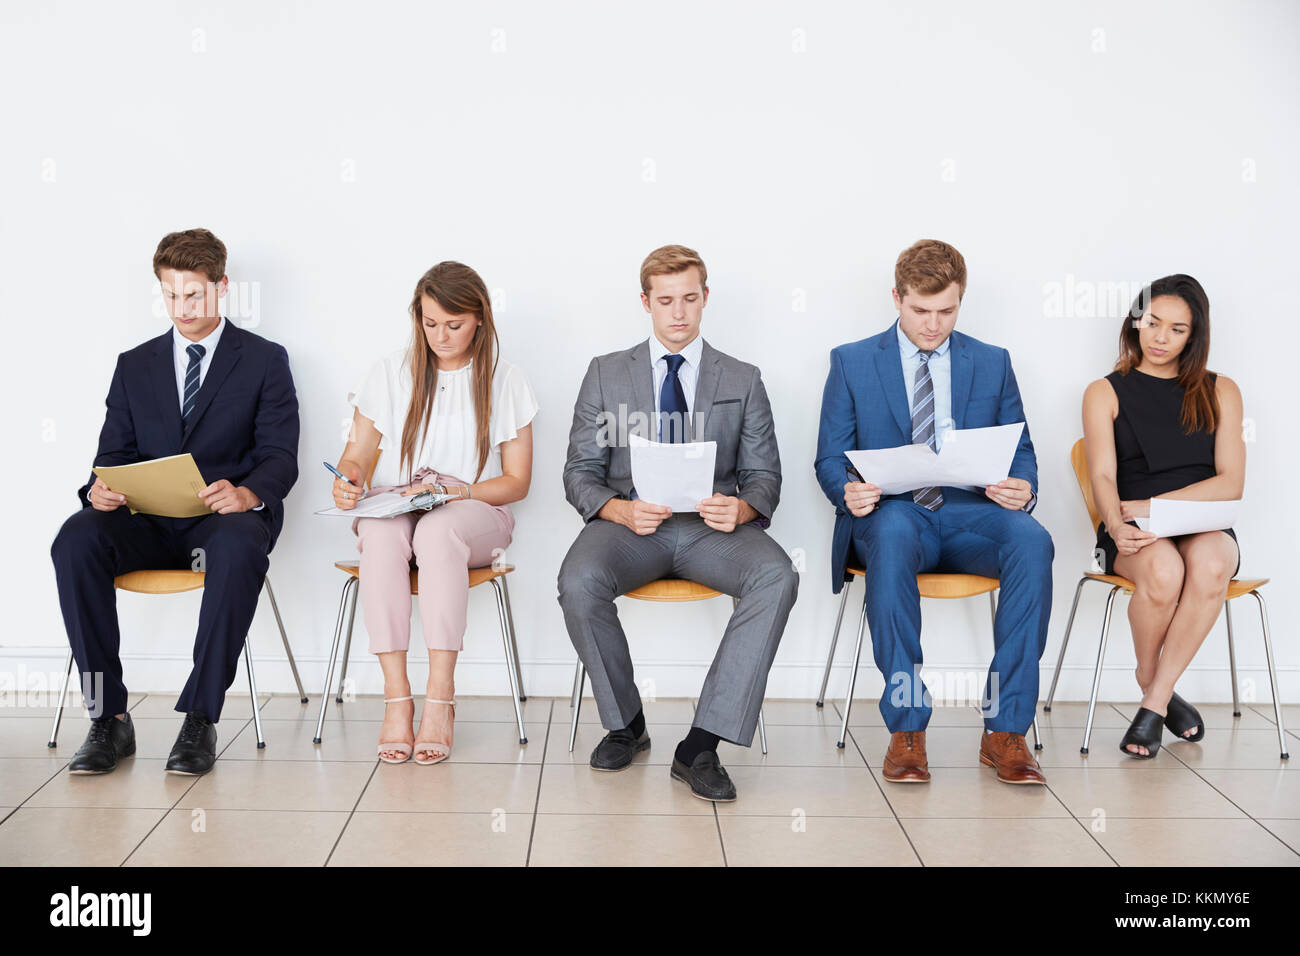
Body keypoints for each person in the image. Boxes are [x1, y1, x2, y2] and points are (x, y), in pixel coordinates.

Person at [50, 228, 300, 775]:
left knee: (237, 547)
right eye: (171, 295)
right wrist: (99, 490)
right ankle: (108, 718)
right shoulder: (134, 364)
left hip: (220, 525)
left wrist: (248, 492)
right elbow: (111, 454)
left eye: (194, 295)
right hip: (144, 523)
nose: (182, 308)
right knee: (76, 537)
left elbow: (280, 455)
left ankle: (199, 719)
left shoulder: (263, 360)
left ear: (223, 286)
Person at [557, 244, 797, 802]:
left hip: (713, 530)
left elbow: (765, 475)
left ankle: (700, 745)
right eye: (666, 301)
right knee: (578, 582)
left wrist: (742, 507)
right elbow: (579, 472)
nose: (679, 313)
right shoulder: (605, 374)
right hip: (628, 526)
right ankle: (627, 725)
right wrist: (617, 509)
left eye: (690, 298)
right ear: (646, 302)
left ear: (705, 297)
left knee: (778, 576)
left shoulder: (742, 377)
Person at [814, 239, 1054, 785]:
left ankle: (1006, 730)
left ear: (960, 299)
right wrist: (846, 490)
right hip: (894, 514)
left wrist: (1024, 486)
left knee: (1032, 540)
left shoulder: (992, 362)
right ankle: (908, 729)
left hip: (971, 513)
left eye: (947, 310)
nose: (933, 324)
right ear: (896, 298)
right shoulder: (851, 362)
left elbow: (1021, 449)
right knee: (894, 534)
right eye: (921, 311)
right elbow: (831, 455)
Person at [332, 261, 536, 765]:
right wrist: (349, 478)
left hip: (476, 511)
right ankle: (397, 699)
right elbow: (358, 452)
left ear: (480, 320)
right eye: (429, 324)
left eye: (454, 325)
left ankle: (440, 698)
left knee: (439, 530)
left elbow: (516, 482)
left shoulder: (504, 379)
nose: (440, 336)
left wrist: (460, 491)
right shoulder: (390, 371)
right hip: (401, 503)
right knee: (380, 534)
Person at [1082, 274, 1243, 759]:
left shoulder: (1222, 390)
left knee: (1213, 561)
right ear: (1135, 322)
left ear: (1194, 336)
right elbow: (1103, 478)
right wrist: (1116, 523)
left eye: (1177, 329)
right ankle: (1159, 690)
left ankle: (1152, 696)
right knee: (1166, 570)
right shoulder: (1103, 392)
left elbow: (1230, 482)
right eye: (1152, 323)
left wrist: (1156, 507)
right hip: (1128, 524)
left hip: (1200, 519)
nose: (1159, 338)